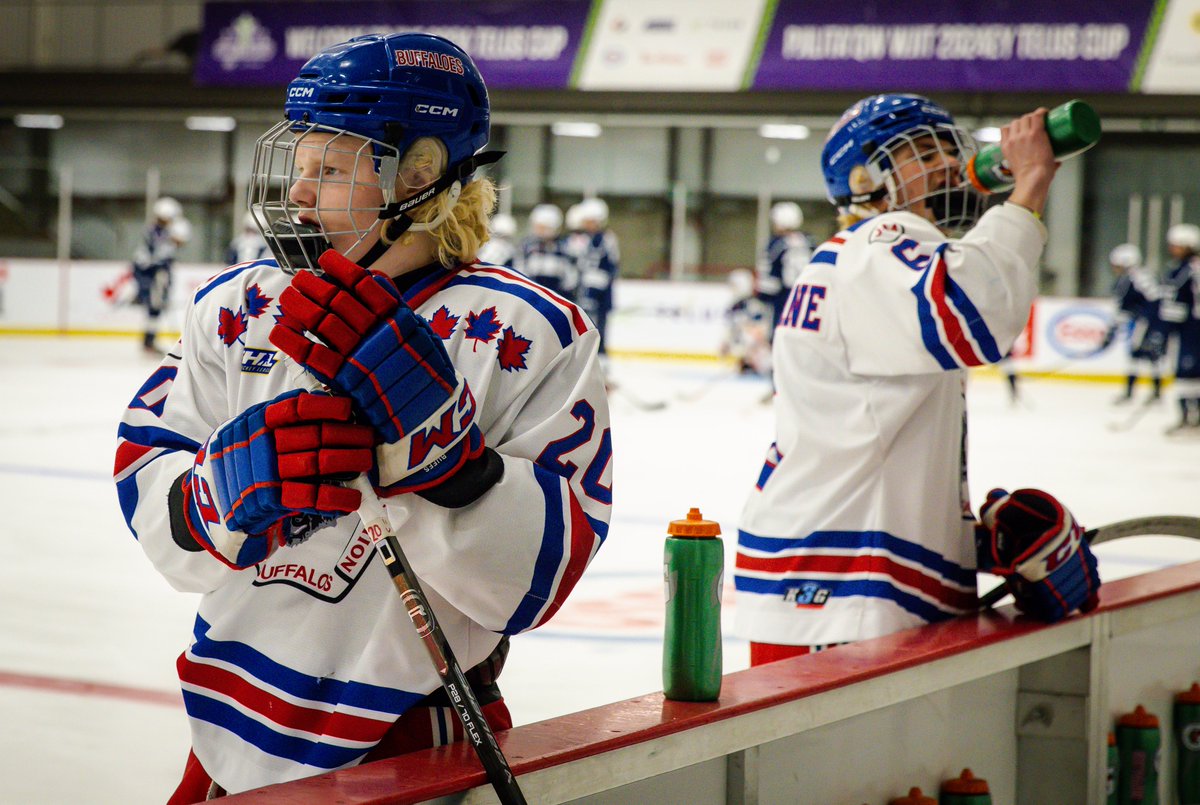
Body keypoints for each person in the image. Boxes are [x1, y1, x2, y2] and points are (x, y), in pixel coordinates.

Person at [114, 32, 611, 800]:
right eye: (298, 166)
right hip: (222, 723)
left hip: (412, 736)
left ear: (418, 173)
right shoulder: (238, 305)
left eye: (328, 169)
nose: (298, 194)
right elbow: (153, 476)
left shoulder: (527, 332)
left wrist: (454, 466)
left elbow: (540, 580)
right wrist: (213, 494)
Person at [732, 94, 1100, 667]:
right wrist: (1029, 185)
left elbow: (874, 440)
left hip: (828, 580)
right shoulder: (878, 245)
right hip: (846, 592)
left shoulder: (854, 259)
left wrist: (971, 541)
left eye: (948, 149)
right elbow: (976, 314)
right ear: (866, 180)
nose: (950, 165)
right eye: (923, 152)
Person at [1102, 243, 1166, 404]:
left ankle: (1135, 393)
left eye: (1117, 265)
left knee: (1137, 354)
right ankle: (1155, 393)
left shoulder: (1130, 279)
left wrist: (1112, 330)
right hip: (1149, 322)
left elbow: (1124, 307)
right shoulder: (1143, 275)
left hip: (1144, 322)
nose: (1114, 269)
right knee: (1151, 355)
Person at [131, 196, 189, 354]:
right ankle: (148, 341)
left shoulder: (160, 231)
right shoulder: (156, 232)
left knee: (156, 307)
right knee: (155, 306)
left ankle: (149, 340)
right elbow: (157, 253)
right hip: (152, 272)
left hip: (156, 271)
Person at [1160, 223, 1200, 433]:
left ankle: (1188, 418)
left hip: (1191, 330)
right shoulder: (1186, 268)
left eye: (1177, 245)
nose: (1173, 248)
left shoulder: (1184, 271)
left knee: (1187, 374)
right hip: (1190, 328)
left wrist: (1163, 332)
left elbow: (1175, 304)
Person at [755, 201, 812, 332]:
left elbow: (768, 284)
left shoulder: (776, 245)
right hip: (808, 302)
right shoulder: (810, 242)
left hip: (783, 303)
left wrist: (762, 299)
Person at [575, 197, 620, 359]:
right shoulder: (583, 239)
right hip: (585, 291)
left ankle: (601, 370)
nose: (587, 224)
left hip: (599, 293)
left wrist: (592, 289)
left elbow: (610, 268)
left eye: (590, 221)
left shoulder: (606, 239)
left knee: (599, 331)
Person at [514, 203, 576, 297]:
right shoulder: (527, 245)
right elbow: (520, 269)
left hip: (556, 295)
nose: (540, 231)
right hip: (531, 293)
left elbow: (570, 277)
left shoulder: (563, 247)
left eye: (544, 227)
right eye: (538, 227)